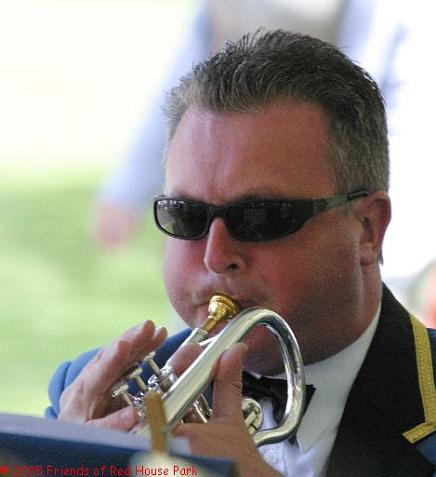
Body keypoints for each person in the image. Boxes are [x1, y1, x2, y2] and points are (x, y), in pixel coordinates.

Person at [46, 31, 436, 476]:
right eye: (186, 215)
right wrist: (64, 461)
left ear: (367, 228)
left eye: (259, 217)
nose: (216, 256)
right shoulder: (91, 396)